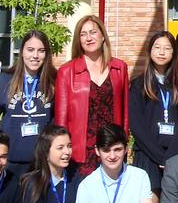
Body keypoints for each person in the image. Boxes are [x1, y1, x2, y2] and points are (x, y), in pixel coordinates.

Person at [54, 14, 128, 175]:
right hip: (81, 153)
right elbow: (61, 120)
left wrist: (123, 145)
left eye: (93, 32)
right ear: (78, 40)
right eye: (83, 34)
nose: (89, 38)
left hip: (111, 150)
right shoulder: (67, 72)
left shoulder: (119, 68)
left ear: (102, 36)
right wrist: (63, 150)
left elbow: (125, 114)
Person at [128, 30, 178, 194]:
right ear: (149, 51)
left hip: (176, 156)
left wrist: (171, 157)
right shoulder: (138, 85)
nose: (162, 52)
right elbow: (136, 125)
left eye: (167, 48)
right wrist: (160, 157)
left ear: (174, 53)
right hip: (147, 155)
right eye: (157, 47)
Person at [0, 30, 57, 177]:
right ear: (22, 51)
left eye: (41, 51)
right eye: (30, 50)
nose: (35, 56)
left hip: (42, 163)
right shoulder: (5, 80)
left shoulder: (54, 81)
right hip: (10, 162)